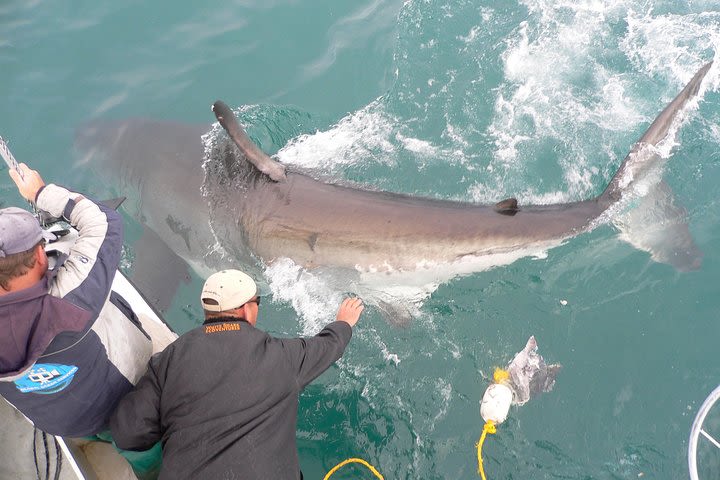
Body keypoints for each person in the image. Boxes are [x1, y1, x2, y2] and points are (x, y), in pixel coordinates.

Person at [110, 269, 364, 479]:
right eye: (257, 302)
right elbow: (330, 346)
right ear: (246, 310)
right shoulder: (281, 355)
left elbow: (127, 432)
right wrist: (344, 322)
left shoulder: (169, 358)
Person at [0, 164, 157, 476]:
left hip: (57, 419)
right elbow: (104, 221)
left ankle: (93, 442)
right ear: (42, 256)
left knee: (85, 428)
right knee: (142, 445)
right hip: (122, 401)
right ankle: (151, 469)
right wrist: (40, 193)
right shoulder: (72, 300)